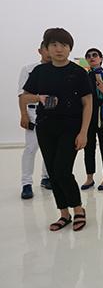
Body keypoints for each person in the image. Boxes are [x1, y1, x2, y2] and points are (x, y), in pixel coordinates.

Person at [21, 28, 93, 232]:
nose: (59, 49)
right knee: (53, 173)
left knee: (62, 170)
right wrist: (39, 98)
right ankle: (64, 213)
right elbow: (24, 96)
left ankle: (78, 209)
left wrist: (84, 132)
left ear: (70, 48)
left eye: (63, 45)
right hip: (46, 127)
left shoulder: (79, 72)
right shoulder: (40, 72)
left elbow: (88, 103)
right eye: (54, 45)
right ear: (46, 48)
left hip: (71, 128)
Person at [17, 42, 52, 199]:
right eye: (47, 49)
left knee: (50, 147)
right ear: (40, 51)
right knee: (31, 148)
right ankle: (26, 183)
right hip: (33, 113)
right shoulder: (29, 69)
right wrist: (24, 114)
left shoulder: (57, 70)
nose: (50, 52)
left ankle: (46, 177)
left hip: (52, 113)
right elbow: (22, 95)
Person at [81, 48, 103, 191]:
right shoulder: (84, 77)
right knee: (88, 147)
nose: (92, 58)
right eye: (88, 56)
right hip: (88, 115)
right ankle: (89, 177)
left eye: (95, 55)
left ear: (101, 58)